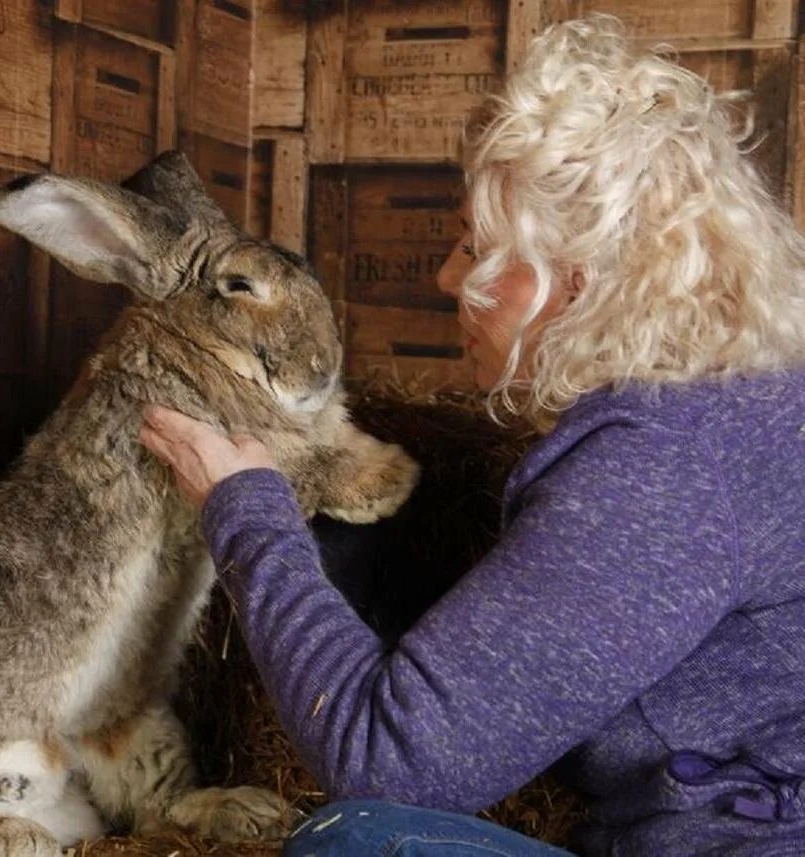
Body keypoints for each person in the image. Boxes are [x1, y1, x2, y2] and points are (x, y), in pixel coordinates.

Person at [139, 16, 805, 857]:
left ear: (575, 281)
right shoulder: (738, 397)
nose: (449, 277)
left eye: (476, 247)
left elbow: (387, 762)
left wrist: (244, 512)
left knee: (357, 839)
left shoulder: (667, 469)